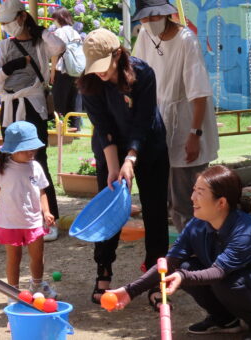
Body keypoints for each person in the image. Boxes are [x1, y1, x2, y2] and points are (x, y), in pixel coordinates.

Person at [108, 165, 251, 340]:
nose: (192, 198)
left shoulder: (246, 231)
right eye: (194, 190)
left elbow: (219, 271)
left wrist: (183, 276)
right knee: (184, 267)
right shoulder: (196, 225)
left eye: (200, 192)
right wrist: (129, 291)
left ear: (221, 202)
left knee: (219, 278)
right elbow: (169, 263)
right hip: (232, 279)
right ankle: (225, 319)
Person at [77, 29, 170, 304]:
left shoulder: (144, 74)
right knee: (110, 210)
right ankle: (103, 270)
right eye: (94, 67)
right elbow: (103, 126)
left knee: (154, 211)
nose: (100, 72)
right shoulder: (90, 83)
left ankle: (156, 278)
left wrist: (131, 158)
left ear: (118, 55)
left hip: (149, 146)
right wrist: (115, 168)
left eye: (103, 65)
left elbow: (143, 122)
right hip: (111, 150)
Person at [132, 0, 220, 233]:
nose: (149, 23)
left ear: (166, 14)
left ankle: (198, 248)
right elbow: (135, 77)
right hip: (158, 123)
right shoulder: (144, 37)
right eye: (145, 18)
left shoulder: (186, 40)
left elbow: (198, 92)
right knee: (165, 194)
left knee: (189, 196)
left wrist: (194, 134)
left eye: (153, 17)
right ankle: (186, 248)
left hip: (186, 123)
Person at [0, 0, 65, 241]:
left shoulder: (41, 43)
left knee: (37, 161)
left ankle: (48, 216)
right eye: (3, 24)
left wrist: (40, 31)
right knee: (7, 160)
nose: (7, 27)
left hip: (32, 106)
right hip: (10, 106)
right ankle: (11, 217)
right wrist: (10, 68)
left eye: (10, 21)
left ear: (21, 17)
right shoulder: (3, 46)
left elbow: (59, 46)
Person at [0, 121, 57, 300]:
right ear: (12, 149)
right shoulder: (2, 168)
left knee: (38, 256)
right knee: (13, 258)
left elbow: (41, 192)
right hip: (9, 222)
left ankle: (38, 285)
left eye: (33, 147)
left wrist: (46, 212)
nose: (31, 152)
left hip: (33, 221)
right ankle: (13, 292)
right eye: (26, 149)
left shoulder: (36, 167)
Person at [50, 8, 83, 130]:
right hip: (77, 69)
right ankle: (75, 127)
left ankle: (59, 126)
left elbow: (55, 53)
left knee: (58, 99)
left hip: (63, 70)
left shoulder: (60, 32)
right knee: (75, 99)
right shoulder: (76, 33)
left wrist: (52, 71)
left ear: (59, 19)